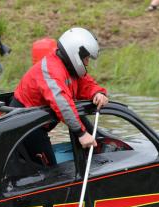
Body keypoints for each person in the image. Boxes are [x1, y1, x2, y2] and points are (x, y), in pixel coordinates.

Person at [10, 27, 108, 166]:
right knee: (49, 169)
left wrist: (98, 93)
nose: (87, 63)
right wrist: (81, 134)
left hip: (39, 120)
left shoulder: (69, 67)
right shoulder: (52, 70)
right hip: (26, 125)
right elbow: (62, 104)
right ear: (75, 54)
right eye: (86, 58)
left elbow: (85, 83)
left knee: (90, 134)